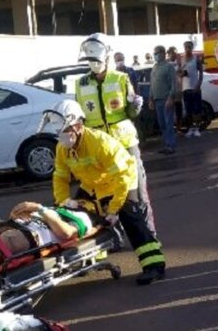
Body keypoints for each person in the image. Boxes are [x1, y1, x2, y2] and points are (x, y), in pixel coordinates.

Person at [40, 102, 166, 284]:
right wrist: (64, 200)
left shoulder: (100, 143)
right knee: (75, 216)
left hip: (121, 181)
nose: (62, 136)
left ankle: (154, 266)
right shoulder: (63, 148)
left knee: (132, 220)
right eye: (59, 132)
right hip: (94, 185)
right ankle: (93, 257)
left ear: (78, 125)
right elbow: (60, 177)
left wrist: (114, 209)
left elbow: (122, 178)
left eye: (65, 130)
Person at [74, 33, 155, 227]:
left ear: (107, 56)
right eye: (90, 60)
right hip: (100, 150)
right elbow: (80, 118)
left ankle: (147, 234)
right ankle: (113, 235)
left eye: (97, 60)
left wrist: (135, 106)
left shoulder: (121, 78)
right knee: (104, 195)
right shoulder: (80, 83)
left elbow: (131, 112)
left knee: (137, 194)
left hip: (125, 145)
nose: (94, 64)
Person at [0, 201, 97, 276]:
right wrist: (21, 212)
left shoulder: (82, 217)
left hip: (31, 234)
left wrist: (40, 209)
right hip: (13, 225)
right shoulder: (55, 208)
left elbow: (67, 233)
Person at [149, 45, 180, 155]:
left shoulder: (168, 67)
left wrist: (171, 98)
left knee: (168, 123)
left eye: (157, 53)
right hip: (157, 100)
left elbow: (173, 83)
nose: (155, 55)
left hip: (166, 100)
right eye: (154, 53)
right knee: (162, 124)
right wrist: (150, 99)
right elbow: (152, 85)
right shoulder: (155, 67)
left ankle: (171, 145)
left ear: (163, 53)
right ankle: (166, 144)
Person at [180, 39, 204, 137]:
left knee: (197, 110)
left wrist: (198, 85)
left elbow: (201, 74)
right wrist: (181, 74)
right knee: (188, 110)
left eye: (189, 47)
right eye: (186, 47)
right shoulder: (181, 60)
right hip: (185, 88)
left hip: (195, 88)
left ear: (192, 48)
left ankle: (197, 128)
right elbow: (179, 74)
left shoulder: (196, 59)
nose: (187, 49)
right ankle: (190, 128)